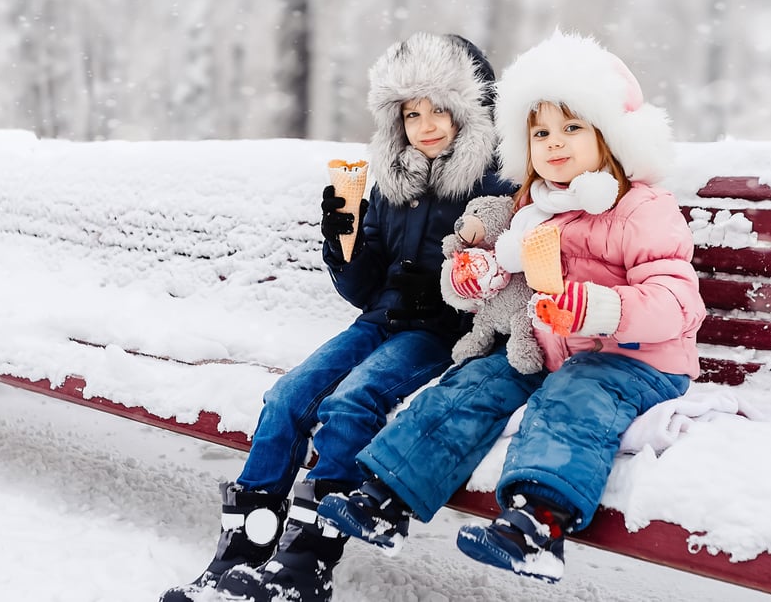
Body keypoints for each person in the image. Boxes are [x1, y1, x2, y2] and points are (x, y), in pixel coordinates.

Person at [318, 30, 706, 583]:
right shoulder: (533, 205)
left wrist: (598, 308)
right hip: (546, 344)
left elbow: (676, 303)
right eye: (541, 131)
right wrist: (478, 273)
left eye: (573, 127)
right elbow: (504, 261)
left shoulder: (641, 209)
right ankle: (387, 497)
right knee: (471, 385)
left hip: (635, 359)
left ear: (611, 137)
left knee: (574, 396)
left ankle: (539, 525)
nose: (554, 142)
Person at [160, 32, 514, 602]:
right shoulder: (393, 178)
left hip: (440, 331)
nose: (424, 124)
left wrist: (458, 277)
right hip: (379, 319)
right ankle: (244, 554)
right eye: (411, 113)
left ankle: (305, 563)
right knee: (288, 399)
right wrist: (344, 242)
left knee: (351, 402)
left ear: (471, 109)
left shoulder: (496, 181)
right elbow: (362, 289)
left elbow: (499, 276)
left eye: (439, 109)